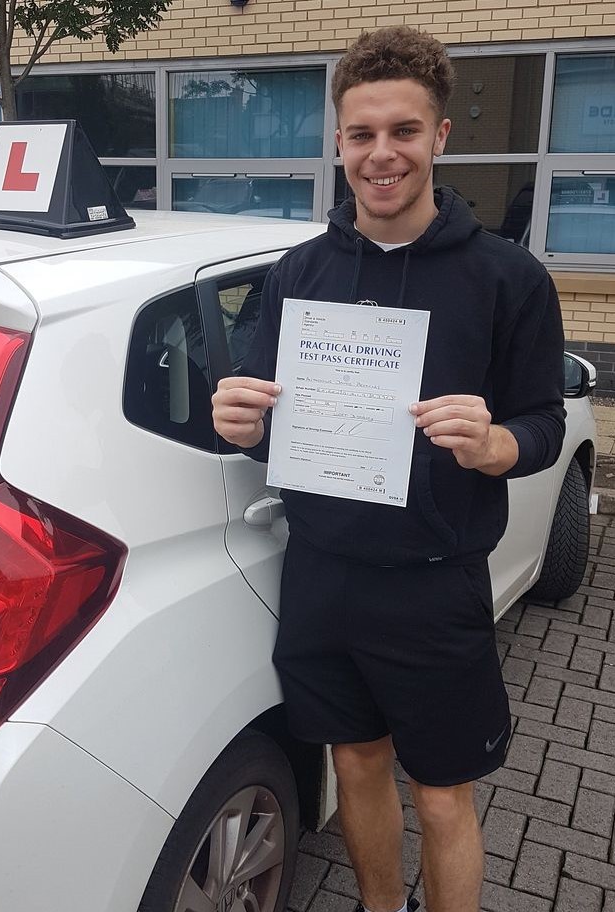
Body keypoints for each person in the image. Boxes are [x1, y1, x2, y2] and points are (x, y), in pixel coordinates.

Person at [211, 26, 565, 912]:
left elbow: (544, 425)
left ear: (440, 136)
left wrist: (496, 445)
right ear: (337, 142)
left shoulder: (507, 279)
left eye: (403, 131)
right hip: (322, 571)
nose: (381, 154)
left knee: (443, 791)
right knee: (354, 762)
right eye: (361, 134)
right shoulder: (299, 272)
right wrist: (239, 423)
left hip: (434, 583)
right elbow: (268, 423)